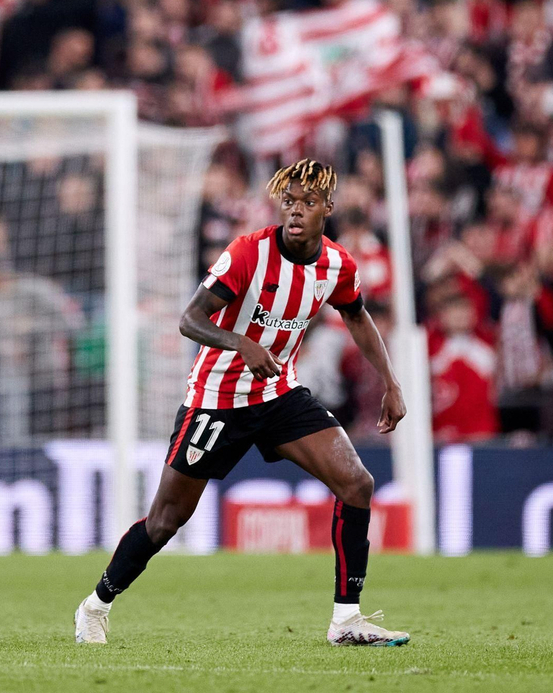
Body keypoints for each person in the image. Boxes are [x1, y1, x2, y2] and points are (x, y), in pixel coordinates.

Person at [75, 159, 410, 647]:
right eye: (289, 202)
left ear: (328, 209)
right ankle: (95, 606)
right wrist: (242, 343)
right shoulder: (248, 253)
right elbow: (190, 319)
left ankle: (346, 620)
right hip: (216, 399)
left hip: (279, 394)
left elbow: (357, 316)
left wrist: (391, 382)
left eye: (308, 203)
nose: (296, 211)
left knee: (357, 483)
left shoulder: (338, 264)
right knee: (167, 520)